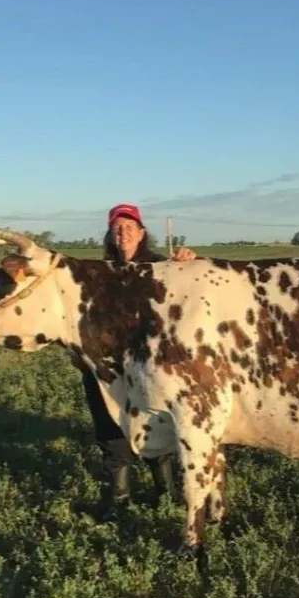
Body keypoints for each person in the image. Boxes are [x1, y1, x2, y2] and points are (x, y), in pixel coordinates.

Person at [81, 203, 197, 513]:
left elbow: (187, 294)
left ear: (142, 233)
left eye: (129, 227)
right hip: (108, 366)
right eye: (117, 228)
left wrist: (186, 263)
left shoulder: (161, 267)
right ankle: (119, 502)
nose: (123, 233)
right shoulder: (99, 274)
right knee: (111, 428)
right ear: (110, 235)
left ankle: (166, 494)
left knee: (154, 424)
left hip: (150, 366)